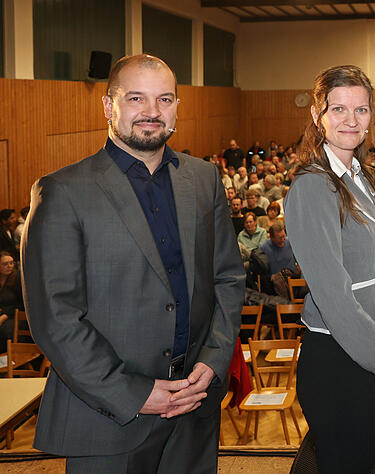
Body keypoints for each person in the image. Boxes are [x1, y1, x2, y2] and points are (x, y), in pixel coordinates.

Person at [20, 54, 245, 472]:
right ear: (109, 105)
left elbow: (228, 278)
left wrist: (212, 361)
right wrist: (132, 393)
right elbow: (56, 318)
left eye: (164, 99)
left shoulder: (203, 179)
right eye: (136, 98)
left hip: (193, 408)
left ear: (177, 106)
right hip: (108, 415)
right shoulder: (62, 192)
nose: (152, 112)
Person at [284, 65, 375, 473]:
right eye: (338, 109)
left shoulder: (362, 175)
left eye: (361, 110)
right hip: (341, 360)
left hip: (374, 348)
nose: (351, 121)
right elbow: (333, 296)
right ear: (317, 115)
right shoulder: (312, 185)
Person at [0, 251, 22, 352]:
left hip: (16, 315)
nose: (9, 266)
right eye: (5, 264)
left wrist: (5, 316)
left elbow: (22, 304)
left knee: (5, 330)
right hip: (2, 314)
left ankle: (7, 360)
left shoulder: (18, 279)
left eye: (11, 263)